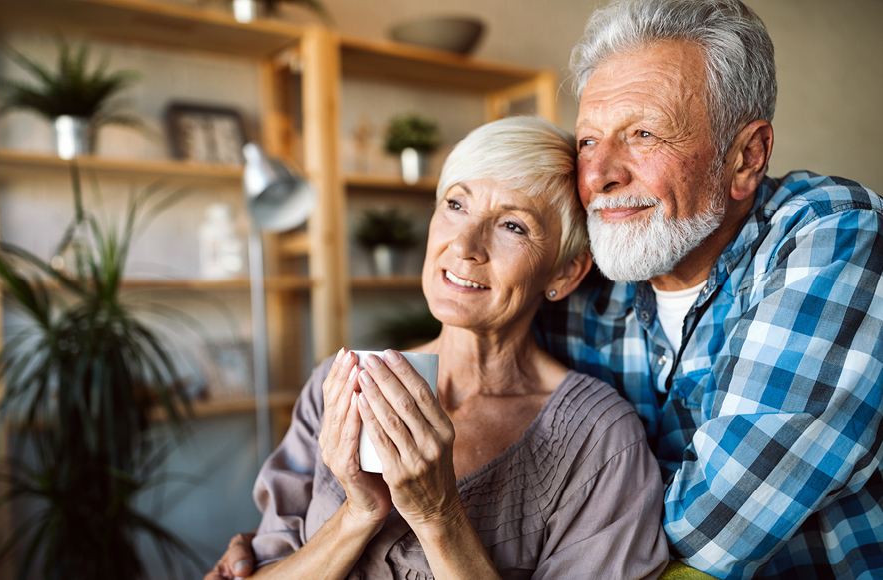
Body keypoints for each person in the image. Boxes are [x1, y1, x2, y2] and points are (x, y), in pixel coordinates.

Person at [205, 116, 669, 580]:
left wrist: (438, 514)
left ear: (565, 272)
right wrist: (357, 514)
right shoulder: (340, 382)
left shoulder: (601, 438)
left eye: (513, 225)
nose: (464, 245)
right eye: (455, 204)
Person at [533, 1, 883, 579]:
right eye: (589, 141)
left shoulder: (836, 234)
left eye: (643, 133)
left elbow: (717, 529)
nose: (599, 176)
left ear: (746, 157)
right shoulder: (581, 275)